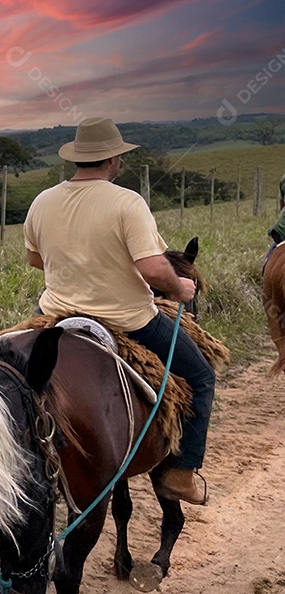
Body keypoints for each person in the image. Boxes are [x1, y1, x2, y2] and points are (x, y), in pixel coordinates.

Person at [23, 117, 214, 506]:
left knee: (10, 362)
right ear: (113, 160)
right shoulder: (127, 202)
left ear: (78, 159)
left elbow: (34, 260)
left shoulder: (42, 201)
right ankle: (181, 473)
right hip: (128, 320)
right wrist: (180, 288)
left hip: (55, 315)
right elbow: (152, 268)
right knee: (201, 376)